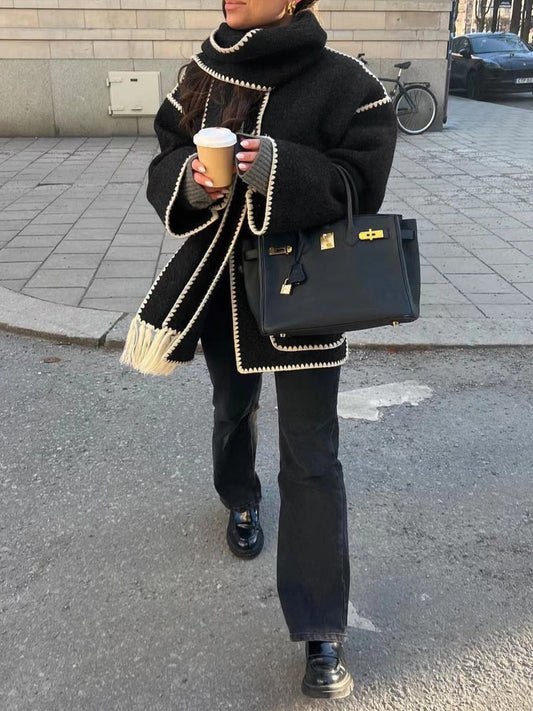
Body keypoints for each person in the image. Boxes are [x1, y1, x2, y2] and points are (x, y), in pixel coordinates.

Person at [121, 0, 397, 699]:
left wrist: (279, 169)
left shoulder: (349, 85)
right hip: (222, 289)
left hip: (308, 294)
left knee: (312, 458)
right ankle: (239, 497)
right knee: (232, 406)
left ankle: (320, 629)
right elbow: (164, 158)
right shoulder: (203, 72)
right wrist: (190, 182)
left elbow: (359, 189)